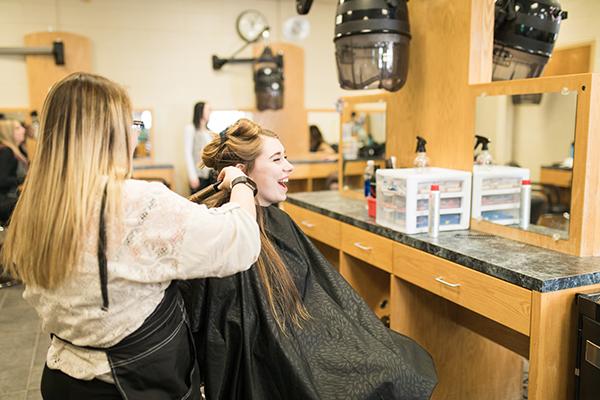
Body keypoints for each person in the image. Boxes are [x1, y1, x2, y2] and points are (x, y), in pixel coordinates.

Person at [0, 73, 261, 400]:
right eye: (132, 126)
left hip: (63, 381)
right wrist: (240, 183)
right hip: (134, 385)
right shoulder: (136, 202)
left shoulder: (35, 206)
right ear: (111, 134)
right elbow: (240, 242)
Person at [180, 119, 437, 400]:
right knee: (389, 373)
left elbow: (324, 300)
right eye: (277, 159)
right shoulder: (222, 234)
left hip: (303, 345)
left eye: (286, 157)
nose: (289, 167)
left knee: (396, 366)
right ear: (241, 172)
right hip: (278, 363)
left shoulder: (278, 221)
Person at [0, 119, 28, 224]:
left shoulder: (18, 149)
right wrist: (25, 179)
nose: (23, 130)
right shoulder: (6, 151)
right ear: (8, 132)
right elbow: (2, 180)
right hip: (6, 202)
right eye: (17, 128)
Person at [184, 101, 215, 193]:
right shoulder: (191, 129)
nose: (210, 112)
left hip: (210, 176)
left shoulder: (209, 132)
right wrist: (192, 176)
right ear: (200, 111)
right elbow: (187, 153)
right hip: (198, 176)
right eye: (208, 110)